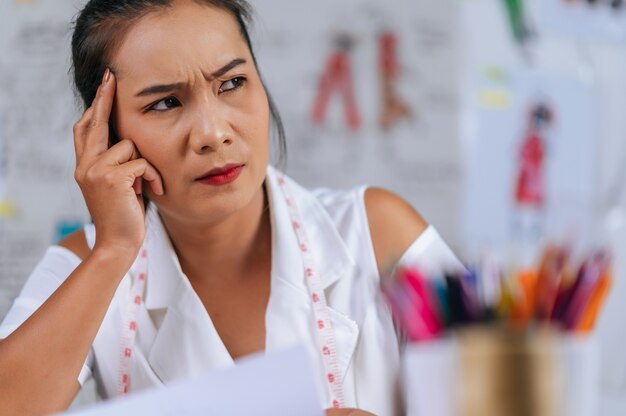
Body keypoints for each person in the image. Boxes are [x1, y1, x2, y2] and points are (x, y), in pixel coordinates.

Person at [0, 0, 461, 414]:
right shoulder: (89, 261)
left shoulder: (375, 230)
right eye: (165, 103)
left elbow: (514, 396)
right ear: (108, 136)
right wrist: (115, 249)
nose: (212, 132)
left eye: (233, 82)